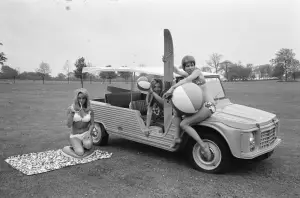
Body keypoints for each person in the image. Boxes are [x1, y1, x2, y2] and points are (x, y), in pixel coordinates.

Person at [163, 55, 216, 161]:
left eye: (192, 65)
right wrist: (167, 62)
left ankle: (203, 145)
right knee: (176, 112)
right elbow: (176, 70)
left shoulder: (197, 72)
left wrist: (172, 88)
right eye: (187, 66)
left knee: (184, 124)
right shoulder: (188, 73)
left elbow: (188, 79)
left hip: (208, 106)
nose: (190, 67)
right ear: (185, 67)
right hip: (200, 106)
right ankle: (177, 138)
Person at [64, 88, 95, 158]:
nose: (81, 100)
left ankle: (83, 145)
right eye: (79, 98)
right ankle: (68, 148)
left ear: (86, 99)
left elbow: (92, 124)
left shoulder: (90, 110)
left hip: (85, 134)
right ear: (76, 98)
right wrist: (72, 113)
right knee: (80, 153)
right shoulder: (70, 108)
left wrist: (89, 133)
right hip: (75, 135)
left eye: (83, 98)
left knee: (88, 145)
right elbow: (68, 125)